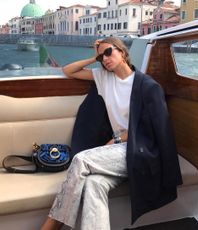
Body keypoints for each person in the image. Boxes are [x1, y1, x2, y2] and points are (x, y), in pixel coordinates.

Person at [40, 37, 182, 230]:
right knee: (93, 184)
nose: (105, 58)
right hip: (116, 153)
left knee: (81, 160)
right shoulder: (104, 78)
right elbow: (68, 71)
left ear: (122, 52)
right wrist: (94, 56)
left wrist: (116, 138)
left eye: (109, 52)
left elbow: (151, 130)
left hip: (138, 151)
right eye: (101, 57)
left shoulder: (148, 86)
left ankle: (51, 226)